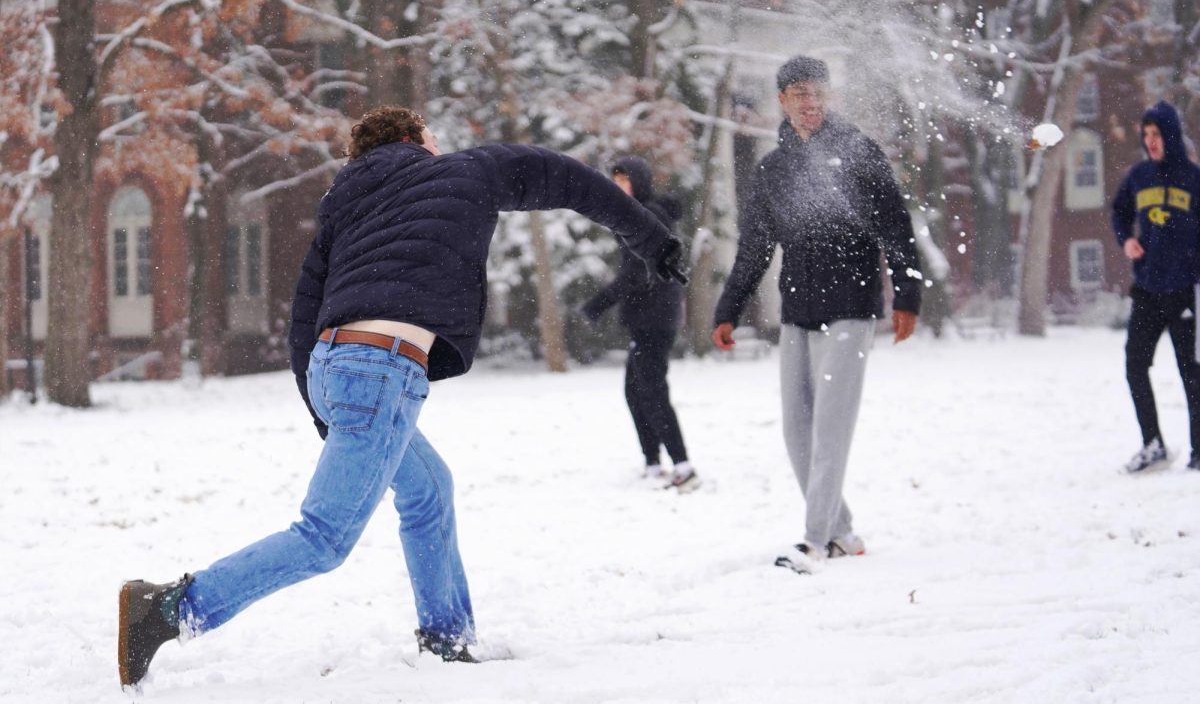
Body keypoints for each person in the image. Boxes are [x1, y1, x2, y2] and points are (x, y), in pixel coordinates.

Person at [117, 106, 688, 689]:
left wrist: (321, 404)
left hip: (335, 367)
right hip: (379, 370)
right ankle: (170, 609)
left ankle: (446, 638)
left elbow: (304, 311)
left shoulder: (344, 203)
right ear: (416, 140)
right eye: (432, 136)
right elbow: (567, 178)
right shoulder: (468, 170)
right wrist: (653, 238)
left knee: (429, 487)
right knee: (324, 538)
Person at [710, 55, 921, 574]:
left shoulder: (858, 152)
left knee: (831, 429)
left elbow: (896, 227)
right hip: (798, 310)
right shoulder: (773, 170)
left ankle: (815, 540)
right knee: (796, 431)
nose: (810, 102)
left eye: (818, 93)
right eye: (800, 93)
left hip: (852, 306)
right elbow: (755, 246)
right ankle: (843, 531)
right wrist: (728, 307)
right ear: (782, 100)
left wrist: (909, 296)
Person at [582, 156, 697, 491]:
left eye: (625, 181)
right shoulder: (635, 214)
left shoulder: (648, 216)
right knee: (636, 391)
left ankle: (683, 465)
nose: (619, 187)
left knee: (652, 392)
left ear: (640, 182)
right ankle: (653, 463)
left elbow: (637, 272)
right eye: (615, 181)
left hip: (655, 318)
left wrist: (599, 303)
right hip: (646, 317)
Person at [1111, 100, 1200, 474]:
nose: (1151, 141)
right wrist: (1126, 240)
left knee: (1191, 373)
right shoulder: (1138, 177)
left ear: (1171, 136)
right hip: (1147, 290)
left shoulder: (1194, 179)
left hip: (1185, 290)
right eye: (1146, 135)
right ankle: (1153, 445)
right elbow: (1119, 211)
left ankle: (1199, 451)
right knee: (1135, 365)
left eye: (1157, 134)